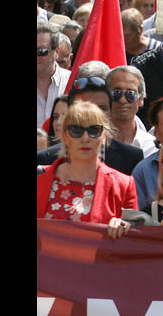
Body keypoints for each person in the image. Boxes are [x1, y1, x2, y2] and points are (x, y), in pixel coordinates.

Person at [36, 101, 137, 239]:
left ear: (104, 136)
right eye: (76, 130)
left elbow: (136, 238)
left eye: (94, 130)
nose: (85, 138)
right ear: (65, 137)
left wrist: (125, 225)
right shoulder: (39, 178)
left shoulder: (124, 185)